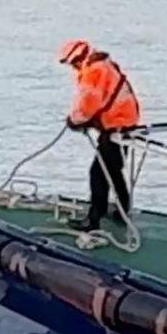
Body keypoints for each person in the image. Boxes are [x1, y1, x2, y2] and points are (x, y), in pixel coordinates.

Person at [59, 39, 141, 231]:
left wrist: (75, 120)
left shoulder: (94, 72)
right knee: (112, 171)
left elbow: (89, 103)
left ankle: (94, 218)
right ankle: (122, 210)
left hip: (116, 127)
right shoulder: (105, 66)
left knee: (98, 173)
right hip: (124, 125)